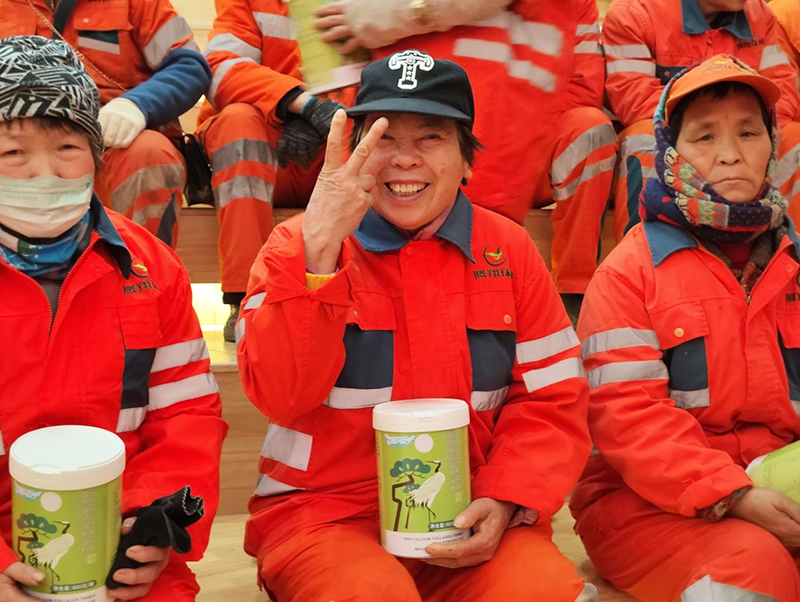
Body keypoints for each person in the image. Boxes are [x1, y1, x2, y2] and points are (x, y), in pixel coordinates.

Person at [236, 50, 595, 601]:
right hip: (324, 515)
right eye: (384, 137)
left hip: (470, 510)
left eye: (431, 137)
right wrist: (320, 251)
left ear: (467, 159)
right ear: (355, 153)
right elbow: (280, 394)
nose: (405, 159)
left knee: (547, 593)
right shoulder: (296, 245)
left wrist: (505, 498)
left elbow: (551, 400)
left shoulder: (511, 251)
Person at [0, 36, 227, 601]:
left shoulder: (155, 268)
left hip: (117, 534)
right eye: (12, 153)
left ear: (97, 155)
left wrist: (154, 523)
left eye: (68, 147)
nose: (44, 174)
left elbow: (187, 413)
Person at [571, 54, 800, 600]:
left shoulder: (794, 259)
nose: (730, 153)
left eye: (748, 132)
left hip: (781, 489)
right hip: (642, 505)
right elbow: (629, 420)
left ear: (772, 145)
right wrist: (734, 495)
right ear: (670, 155)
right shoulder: (628, 273)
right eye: (704, 137)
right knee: (752, 569)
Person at [314, 0, 618, 313]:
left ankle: (575, 292)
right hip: (440, 151)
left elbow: (582, 88)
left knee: (589, 128)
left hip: (517, 158)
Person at [197, 0, 352, 342]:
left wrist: (329, 115)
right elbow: (220, 67)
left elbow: (383, 75)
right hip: (267, 145)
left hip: (336, 142)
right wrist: (298, 104)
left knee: (379, 126)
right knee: (237, 122)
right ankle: (246, 297)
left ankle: (363, 294)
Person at [0, 0, 211, 248]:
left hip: (117, 146)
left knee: (151, 151)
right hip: (13, 148)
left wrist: (138, 105)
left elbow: (189, 66)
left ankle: (143, 265)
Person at [603, 0, 800, 242]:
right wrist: (708, 126)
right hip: (678, 138)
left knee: (792, 138)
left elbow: (784, 91)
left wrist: (743, 127)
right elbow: (632, 97)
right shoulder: (633, 13)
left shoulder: (761, 15)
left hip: (740, 134)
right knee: (645, 139)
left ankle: (788, 250)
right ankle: (646, 251)